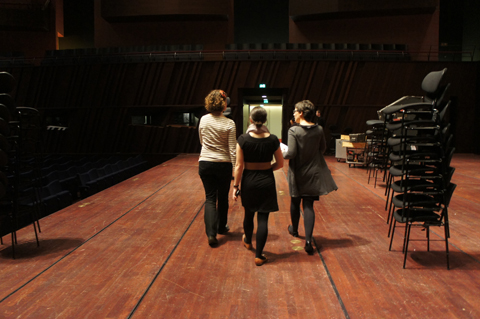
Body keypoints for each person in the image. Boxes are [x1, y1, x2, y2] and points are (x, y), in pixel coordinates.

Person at [283, 100, 337, 254]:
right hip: (313, 172)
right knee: (308, 205)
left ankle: (294, 230)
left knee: (295, 200)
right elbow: (323, 148)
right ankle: (308, 240)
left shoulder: (293, 131)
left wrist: (282, 153)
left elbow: (291, 153)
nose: (293, 113)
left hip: (297, 172)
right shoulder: (319, 129)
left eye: (295, 110)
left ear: (301, 113)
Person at [232, 106, 284, 266]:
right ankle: (259, 255)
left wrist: (235, 186)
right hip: (266, 180)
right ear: (265, 120)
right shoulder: (273, 139)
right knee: (263, 218)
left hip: (249, 180)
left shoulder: (243, 139)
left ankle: (247, 240)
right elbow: (280, 163)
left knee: (249, 214)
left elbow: (239, 166)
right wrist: (268, 169)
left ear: (251, 120)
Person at [198, 90, 236, 247]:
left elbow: (201, 140)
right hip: (224, 163)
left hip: (205, 162)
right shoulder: (229, 123)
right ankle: (221, 227)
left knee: (210, 198)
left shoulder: (203, 120)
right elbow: (232, 149)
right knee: (223, 197)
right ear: (224, 104)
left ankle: (211, 234)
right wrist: (235, 168)